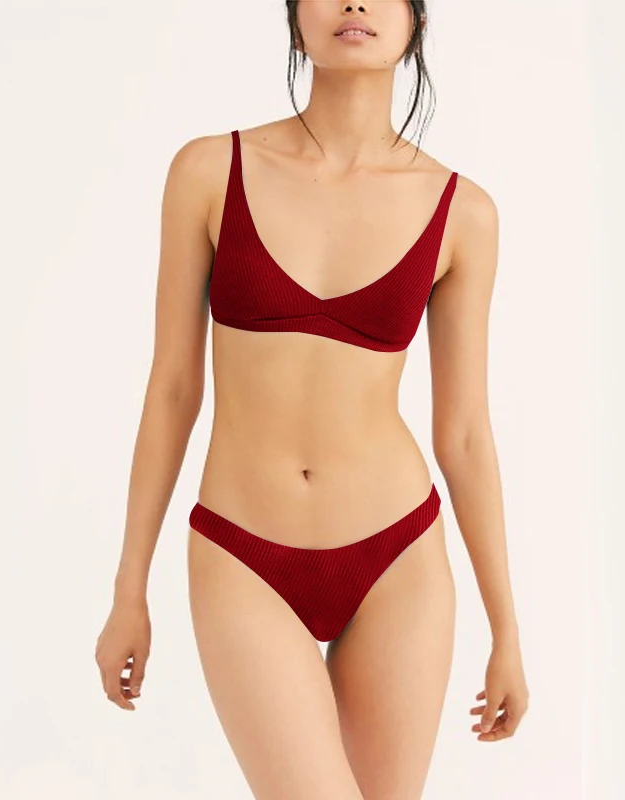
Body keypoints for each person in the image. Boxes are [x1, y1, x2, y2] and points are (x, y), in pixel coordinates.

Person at [96, 1, 529, 797]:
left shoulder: (464, 213)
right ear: (296, 19)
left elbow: (465, 432)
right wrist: (130, 587)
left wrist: (507, 629)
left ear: (416, 22)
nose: (354, 3)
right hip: (243, 556)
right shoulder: (209, 172)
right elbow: (172, 389)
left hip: (398, 558)